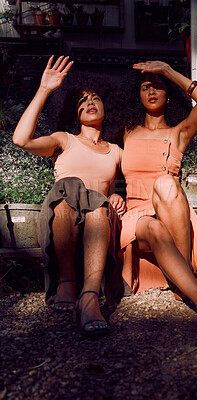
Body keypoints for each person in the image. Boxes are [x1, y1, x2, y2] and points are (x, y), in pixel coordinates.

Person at [12, 56, 126, 337]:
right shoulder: (65, 139)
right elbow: (21, 140)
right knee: (69, 190)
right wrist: (44, 89)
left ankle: (88, 297)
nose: (89, 102)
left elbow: (134, 184)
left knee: (99, 205)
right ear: (74, 115)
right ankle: (66, 280)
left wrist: (119, 196)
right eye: (81, 100)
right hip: (62, 216)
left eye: (95, 97)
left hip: (98, 222)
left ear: (106, 108)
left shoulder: (116, 150)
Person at [119, 60, 197, 338]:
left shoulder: (178, 133)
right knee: (152, 224)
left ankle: (182, 281)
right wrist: (110, 193)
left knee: (166, 182)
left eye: (158, 86)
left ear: (169, 94)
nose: (152, 91)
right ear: (138, 96)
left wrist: (167, 71)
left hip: (172, 213)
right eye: (146, 87)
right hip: (137, 219)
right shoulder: (125, 131)